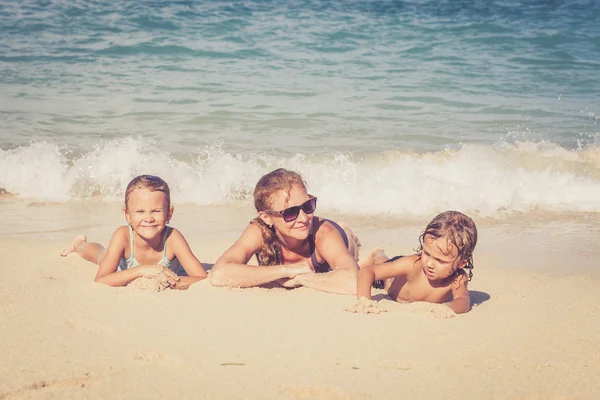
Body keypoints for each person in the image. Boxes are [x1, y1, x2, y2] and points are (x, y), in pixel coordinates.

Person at [210, 168, 361, 294]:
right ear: (267, 218)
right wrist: (286, 270)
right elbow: (219, 274)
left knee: (349, 246)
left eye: (308, 206)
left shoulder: (323, 234)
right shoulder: (259, 230)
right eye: (291, 213)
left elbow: (354, 281)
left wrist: (300, 278)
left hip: (343, 242)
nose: (303, 218)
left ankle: (345, 230)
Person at [61, 175, 207, 290]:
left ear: (169, 213)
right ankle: (79, 244)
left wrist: (164, 280)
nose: (148, 218)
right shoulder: (123, 235)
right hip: (120, 265)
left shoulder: (172, 238)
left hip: (141, 270)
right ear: (127, 215)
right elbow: (101, 279)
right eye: (139, 211)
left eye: (156, 211)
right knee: (99, 255)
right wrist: (142, 270)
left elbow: (201, 278)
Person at [356, 211, 477, 314]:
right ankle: (377, 254)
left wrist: (443, 308)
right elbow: (366, 272)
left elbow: (463, 301)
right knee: (383, 263)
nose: (429, 264)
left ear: (461, 263)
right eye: (427, 253)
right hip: (393, 276)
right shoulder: (411, 265)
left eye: (440, 261)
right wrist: (364, 301)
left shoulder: (457, 279)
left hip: (400, 269)